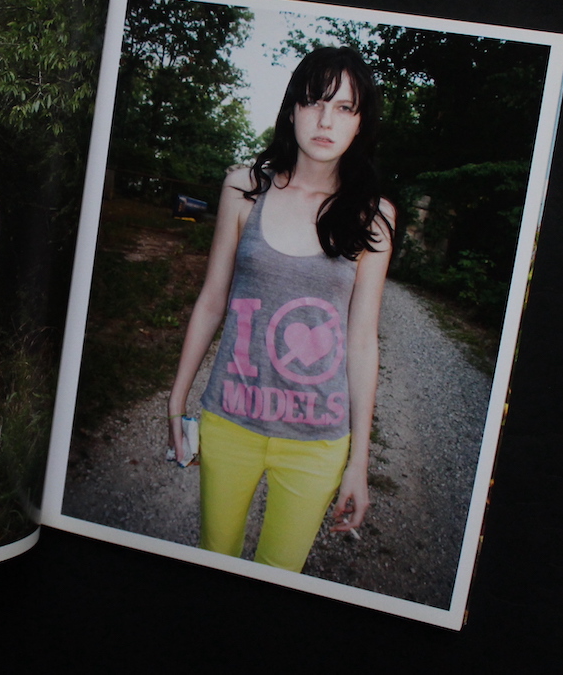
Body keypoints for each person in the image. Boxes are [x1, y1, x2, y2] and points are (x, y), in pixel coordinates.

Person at [167, 46, 394, 572]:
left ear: (360, 122)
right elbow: (212, 301)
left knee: (279, 576)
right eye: (314, 102)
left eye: (344, 107)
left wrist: (358, 462)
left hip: (317, 443)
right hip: (230, 422)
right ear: (292, 110)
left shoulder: (373, 216)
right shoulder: (244, 189)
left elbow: (362, 341)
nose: (325, 120)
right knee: (214, 561)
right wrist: (177, 400)